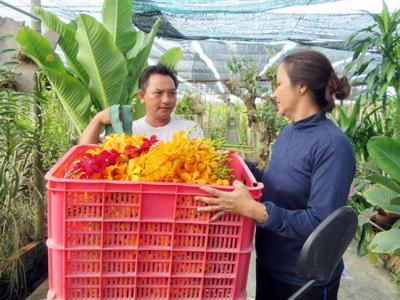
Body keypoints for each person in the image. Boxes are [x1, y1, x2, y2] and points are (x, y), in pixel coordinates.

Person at [195, 50, 355, 300]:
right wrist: (240, 163)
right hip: (271, 264)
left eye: (279, 84)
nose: (273, 93)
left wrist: (255, 210)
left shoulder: (333, 145)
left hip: (304, 280)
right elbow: (276, 186)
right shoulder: (288, 134)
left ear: (301, 87)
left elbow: (321, 224)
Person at [79, 63, 203, 144]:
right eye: (158, 93)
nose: (166, 100)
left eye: (172, 93)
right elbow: (84, 153)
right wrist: (98, 118)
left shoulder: (190, 130)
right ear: (142, 96)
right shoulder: (126, 131)